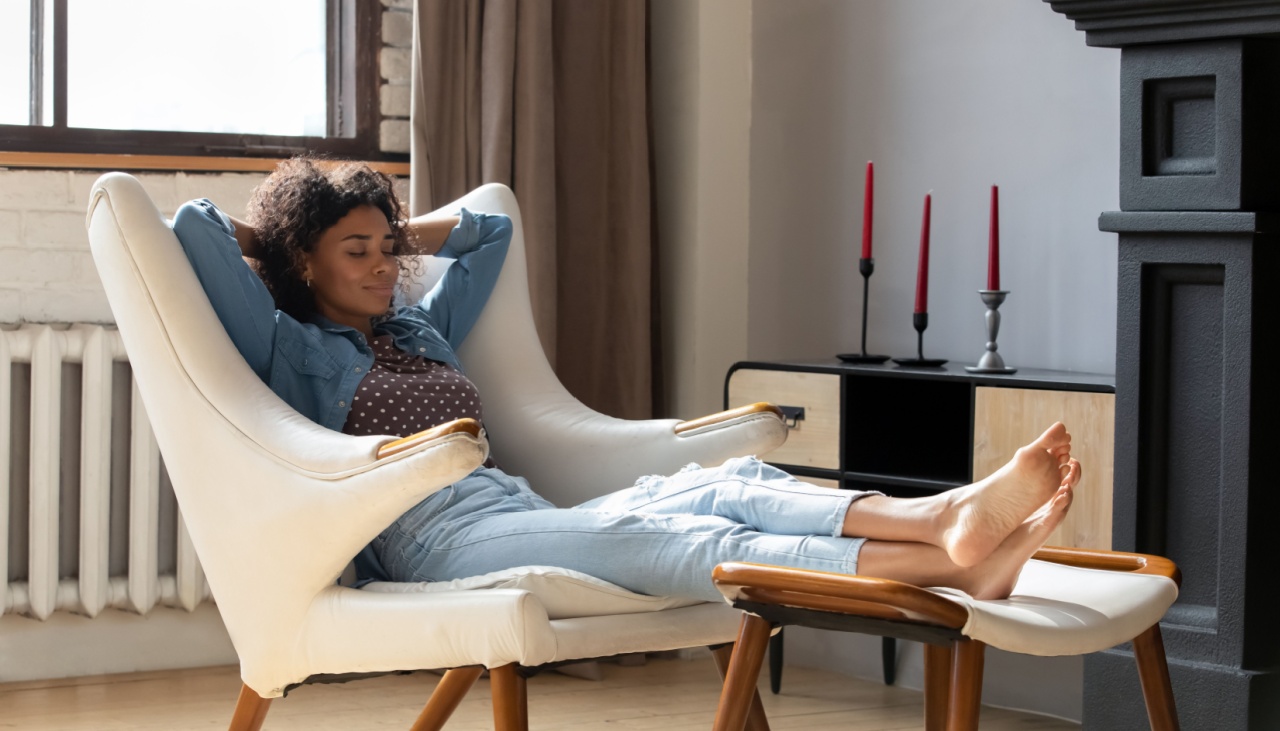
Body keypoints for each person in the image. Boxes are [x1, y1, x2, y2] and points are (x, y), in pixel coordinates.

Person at [172, 158, 1080, 604]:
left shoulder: (417, 327)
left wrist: (394, 234)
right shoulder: (292, 346)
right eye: (355, 252)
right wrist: (286, 240)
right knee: (675, 534)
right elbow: (194, 228)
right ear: (303, 261)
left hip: (510, 504)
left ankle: (946, 535)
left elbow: (490, 230)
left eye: (387, 247)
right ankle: (952, 554)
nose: (380, 265)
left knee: (728, 484)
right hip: (432, 544)